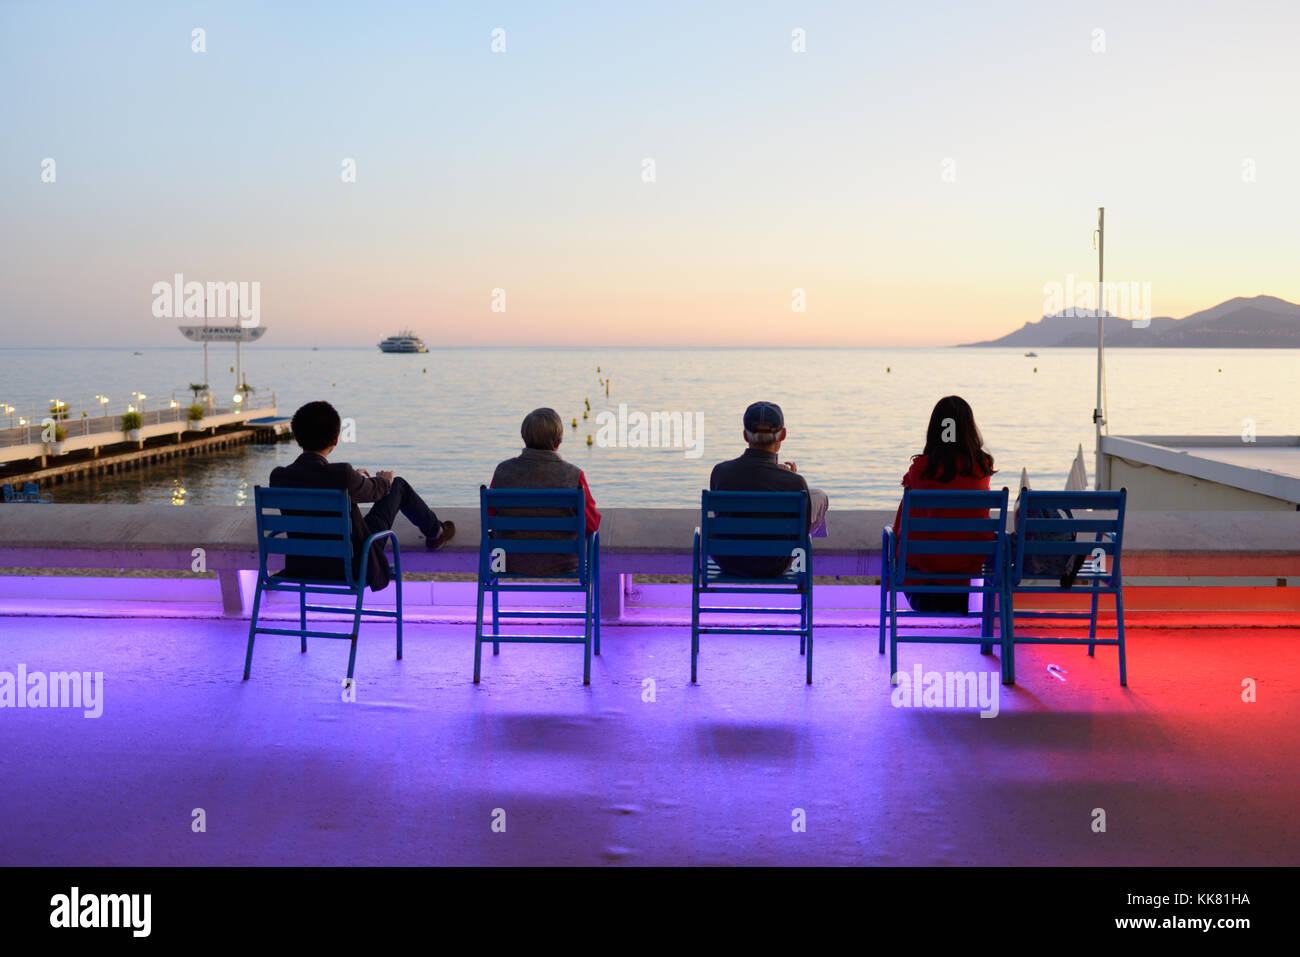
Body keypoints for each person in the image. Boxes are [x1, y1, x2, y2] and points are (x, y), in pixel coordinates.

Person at [270, 400, 454, 591]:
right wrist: (384, 480)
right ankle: (435, 532)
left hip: (302, 566)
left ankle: (435, 530)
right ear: (335, 440)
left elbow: (312, 481)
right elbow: (375, 492)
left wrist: (354, 480)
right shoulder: (342, 475)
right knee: (398, 485)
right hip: (353, 566)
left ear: (297, 436)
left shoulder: (279, 477)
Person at [892, 395, 996, 612]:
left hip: (921, 583)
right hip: (967, 577)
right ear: (969, 430)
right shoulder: (982, 467)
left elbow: (901, 527)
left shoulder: (920, 469)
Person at [708, 401, 830, 577]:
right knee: (819, 496)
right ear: (783, 435)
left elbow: (720, 514)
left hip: (728, 561)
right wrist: (791, 478)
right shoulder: (795, 483)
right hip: (774, 565)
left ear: (745, 435)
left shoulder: (720, 472)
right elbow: (801, 533)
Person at [488, 407, 601, 576]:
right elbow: (592, 524)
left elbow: (490, 516)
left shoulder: (502, 471)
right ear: (559, 440)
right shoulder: (574, 476)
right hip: (564, 564)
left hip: (507, 562)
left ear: (523, 436)